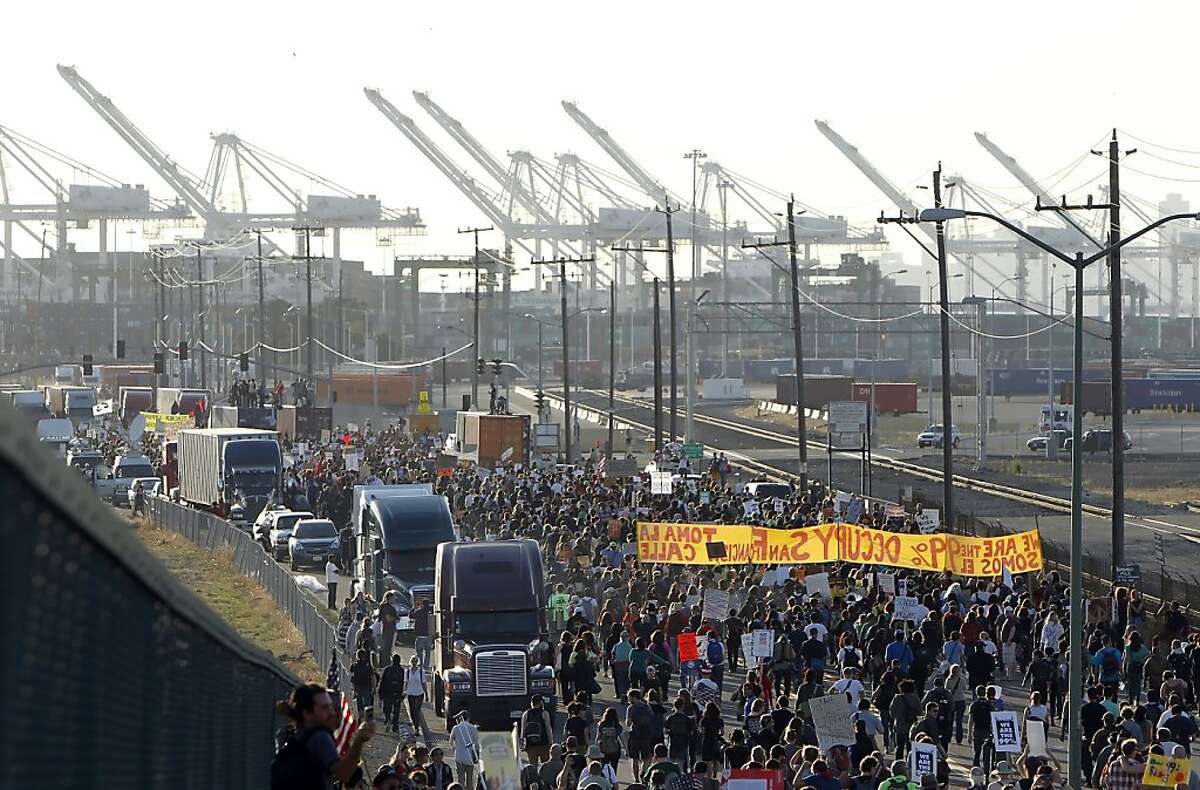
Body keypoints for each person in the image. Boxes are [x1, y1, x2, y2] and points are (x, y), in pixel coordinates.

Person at [272, 682, 374, 789]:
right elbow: (344, 773)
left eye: (331, 706)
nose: (332, 712)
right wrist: (359, 740)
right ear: (306, 714)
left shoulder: (287, 736)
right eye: (324, 708)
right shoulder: (319, 738)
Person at [450, 710, 481, 789]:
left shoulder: (456, 728)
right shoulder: (473, 728)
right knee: (469, 779)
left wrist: (455, 748)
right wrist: (476, 756)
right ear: (468, 718)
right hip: (469, 757)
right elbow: (477, 744)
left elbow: (451, 741)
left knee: (461, 779)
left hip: (459, 756)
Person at [521, 694, 555, 766]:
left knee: (533, 768)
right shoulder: (544, 713)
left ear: (531, 703)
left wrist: (522, 744)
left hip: (531, 746)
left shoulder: (526, 714)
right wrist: (551, 743)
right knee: (545, 766)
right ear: (541, 702)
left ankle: (534, 777)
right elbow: (548, 728)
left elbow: (523, 730)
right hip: (544, 745)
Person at [404, 654, 430, 742]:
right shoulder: (407, 672)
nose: (414, 663)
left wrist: (426, 694)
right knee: (412, 710)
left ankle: (416, 727)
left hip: (419, 693)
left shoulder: (421, 672)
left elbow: (424, 684)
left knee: (417, 710)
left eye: (416, 661)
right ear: (411, 662)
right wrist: (404, 691)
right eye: (413, 661)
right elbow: (406, 683)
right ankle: (415, 725)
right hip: (410, 693)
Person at [378, 653, 406, 733]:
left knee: (386, 709)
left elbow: (382, 682)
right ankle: (395, 726)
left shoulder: (387, 669)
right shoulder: (401, 670)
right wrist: (401, 694)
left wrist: (380, 694)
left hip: (387, 693)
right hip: (397, 693)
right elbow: (402, 683)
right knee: (396, 711)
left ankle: (387, 719)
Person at [412, 598, 433, 669]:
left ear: (422, 604)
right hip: (429, 635)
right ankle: (426, 666)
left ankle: (420, 665)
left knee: (419, 652)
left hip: (420, 635)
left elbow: (411, 616)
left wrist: (414, 607)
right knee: (428, 652)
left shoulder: (419, 612)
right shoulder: (431, 611)